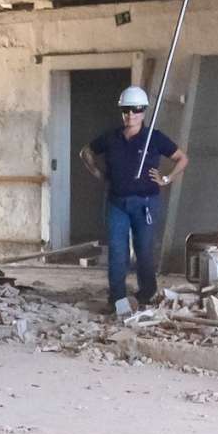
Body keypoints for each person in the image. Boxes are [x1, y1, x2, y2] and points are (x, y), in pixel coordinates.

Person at [79, 85, 185, 315]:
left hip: (146, 203)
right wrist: (98, 173)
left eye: (135, 110)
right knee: (117, 251)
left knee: (144, 250)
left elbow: (182, 158)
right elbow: (85, 151)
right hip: (117, 203)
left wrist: (166, 178)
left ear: (144, 112)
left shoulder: (154, 138)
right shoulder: (111, 138)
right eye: (126, 110)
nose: (130, 115)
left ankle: (147, 293)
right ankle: (116, 298)